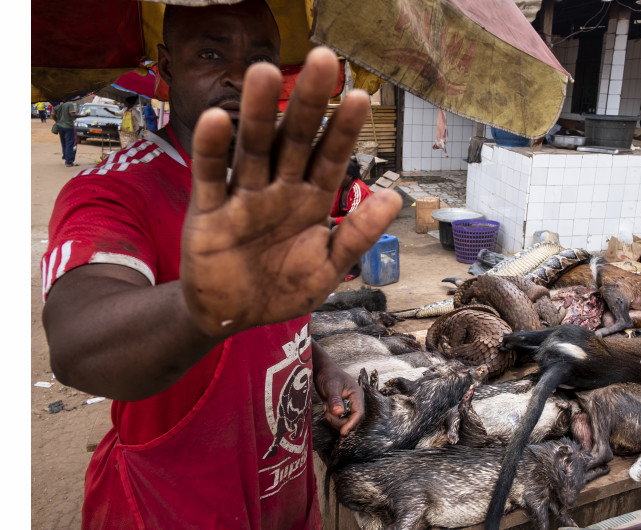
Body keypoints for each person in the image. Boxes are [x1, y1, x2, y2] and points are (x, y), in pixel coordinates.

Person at [39, 0, 402, 528]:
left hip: (282, 489)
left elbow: (265, 317)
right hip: (174, 501)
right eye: (211, 53)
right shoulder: (114, 189)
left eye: (260, 57)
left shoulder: (276, 185)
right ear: (166, 66)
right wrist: (204, 304)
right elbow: (76, 345)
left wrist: (319, 363)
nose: (240, 77)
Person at [329, 158, 374, 281]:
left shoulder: (359, 189)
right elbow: (333, 210)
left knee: (338, 231)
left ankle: (352, 269)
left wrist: (332, 221)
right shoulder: (341, 187)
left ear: (348, 175)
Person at [51, 100, 84, 167]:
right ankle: (69, 161)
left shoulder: (56, 105)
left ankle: (66, 157)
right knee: (70, 144)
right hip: (69, 127)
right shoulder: (69, 104)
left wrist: (58, 121)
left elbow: (53, 115)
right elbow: (72, 114)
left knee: (64, 143)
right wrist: (84, 115)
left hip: (60, 127)